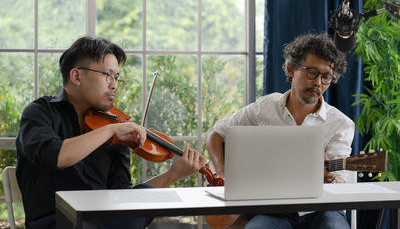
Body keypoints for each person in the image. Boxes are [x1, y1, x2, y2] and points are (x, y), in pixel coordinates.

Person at [15, 36, 207, 229]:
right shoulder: (40, 112)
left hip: (102, 222)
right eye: (107, 75)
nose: (114, 85)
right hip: (55, 222)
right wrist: (110, 130)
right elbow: (56, 156)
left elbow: (123, 201)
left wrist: (172, 175)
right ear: (76, 76)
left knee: (132, 211)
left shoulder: (114, 130)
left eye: (116, 77)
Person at [205, 33, 355, 229]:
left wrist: (330, 179)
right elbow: (214, 134)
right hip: (273, 211)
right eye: (311, 72)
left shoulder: (341, 123)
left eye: (326, 77)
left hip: (322, 211)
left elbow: (342, 183)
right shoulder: (264, 108)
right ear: (291, 68)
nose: (318, 83)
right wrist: (223, 176)